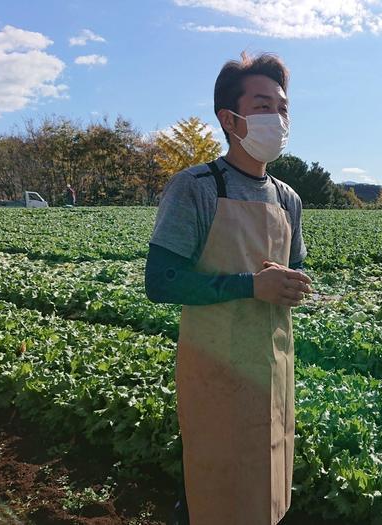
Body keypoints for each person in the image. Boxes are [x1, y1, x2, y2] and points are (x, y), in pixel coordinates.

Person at [144, 51, 313, 525]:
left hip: (273, 369)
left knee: (269, 490)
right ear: (230, 118)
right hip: (214, 367)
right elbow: (160, 281)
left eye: (283, 108)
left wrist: (293, 285)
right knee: (209, 490)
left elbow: (290, 269)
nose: (277, 118)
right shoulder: (196, 187)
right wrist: (249, 286)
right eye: (263, 106)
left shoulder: (288, 199)